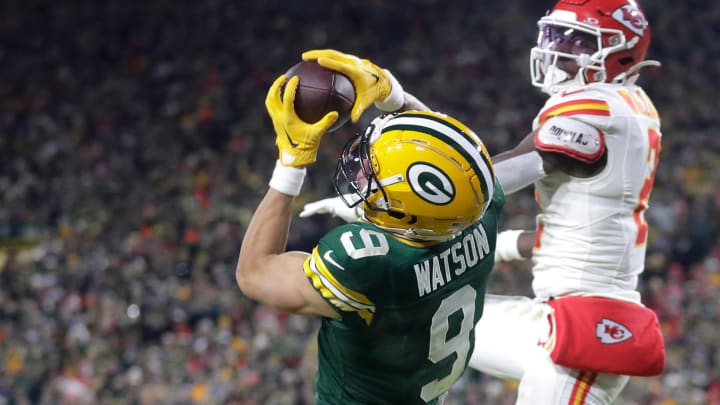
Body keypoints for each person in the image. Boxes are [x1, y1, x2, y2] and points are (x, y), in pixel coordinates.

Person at [298, 0, 666, 403]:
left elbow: (473, 179)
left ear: (620, 52)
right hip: (562, 315)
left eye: (576, 40)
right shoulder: (629, 108)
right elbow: (482, 180)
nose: (557, 47)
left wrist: (377, 197)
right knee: (423, 315)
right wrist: (395, 96)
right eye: (556, 35)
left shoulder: (598, 107)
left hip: (582, 332)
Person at [235, 66, 504, 404]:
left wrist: (290, 163)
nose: (361, 174)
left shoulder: (373, 263)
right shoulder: (480, 207)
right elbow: (450, 152)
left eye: (373, 173)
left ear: (407, 208)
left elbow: (254, 273)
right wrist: (393, 95)